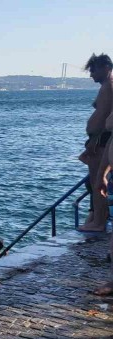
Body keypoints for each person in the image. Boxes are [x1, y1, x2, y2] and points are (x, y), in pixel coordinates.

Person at [79, 53, 113, 232]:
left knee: (98, 180)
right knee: (95, 180)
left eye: (93, 70)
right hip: (98, 139)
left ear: (106, 68)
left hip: (101, 141)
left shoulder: (109, 86)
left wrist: (96, 138)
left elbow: (105, 118)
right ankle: (97, 218)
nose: (91, 74)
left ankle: (99, 222)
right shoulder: (106, 86)